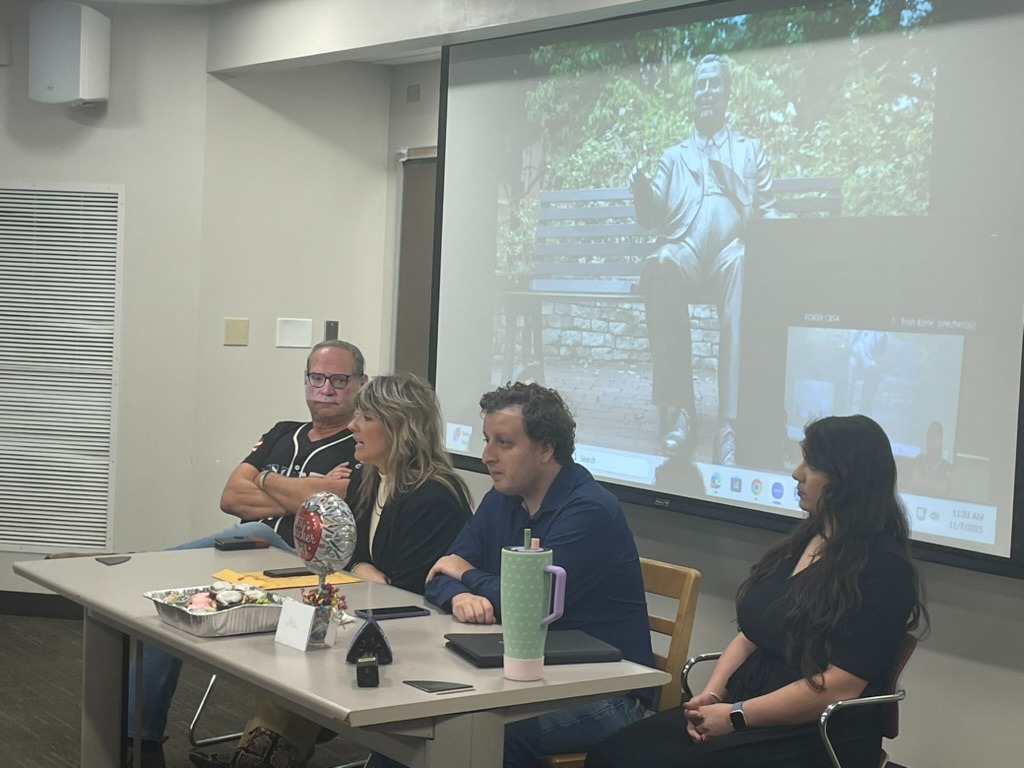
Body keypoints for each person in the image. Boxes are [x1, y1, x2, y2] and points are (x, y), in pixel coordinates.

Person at [585, 414, 928, 768]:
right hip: (746, 707)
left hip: (816, 731)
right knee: (610, 757)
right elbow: (751, 636)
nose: (797, 473)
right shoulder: (806, 540)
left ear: (846, 479)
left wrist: (735, 716)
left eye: (811, 464)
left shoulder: (885, 570)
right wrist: (712, 695)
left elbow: (837, 686)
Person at [188, 373, 473, 768]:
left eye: (366, 418)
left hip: (416, 639)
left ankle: (260, 756)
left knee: (303, 653)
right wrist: (360, 566)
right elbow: (345, 551)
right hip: (370, 616)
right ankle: (258, 755)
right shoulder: (368, 479)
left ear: (398, 428)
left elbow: (410, 592)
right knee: (291, 648)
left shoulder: (434, 495)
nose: (353, 426)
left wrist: (360, 569)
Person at [127, 339, 368, 767]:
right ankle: (140, 742)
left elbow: (335, 503)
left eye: (338, 379)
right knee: (167, 605)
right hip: (247, 559)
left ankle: (136, 565)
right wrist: (303, 493)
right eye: (316, 377)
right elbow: (229, 496)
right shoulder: (282, 431)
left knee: (253, 527)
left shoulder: (361, 442)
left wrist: (265, 481)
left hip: (302, 567)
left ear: (359, 384)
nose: (325, 388)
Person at [417, 382, 654, 768]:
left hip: (606, 690)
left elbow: (533, 603)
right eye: (486, 440)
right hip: (529, 671)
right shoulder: (501, 498)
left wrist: (469, 575)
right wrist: (458, 595)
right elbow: (441, 572)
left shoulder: (590, 511)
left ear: (546, 449)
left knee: (487, 733)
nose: (487, 456)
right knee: (418, 720)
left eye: (504, 443)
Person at [630, 54, 778, 464]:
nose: (706, 92)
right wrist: (642, 191)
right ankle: (683, 410)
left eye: (714, 84)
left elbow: (770, 216)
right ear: (692, 96)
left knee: (744, 264)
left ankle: (729, 424)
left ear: (728, 92)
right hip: (687, 252)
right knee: (660, 265)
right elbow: (654, 213)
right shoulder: (673, 156)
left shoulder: (750, 152)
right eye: (700, 86)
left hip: (732, 254)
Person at [909, 420, 952, 496]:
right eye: (929, 436)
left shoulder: (946, 466)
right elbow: (914, 484)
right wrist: (933, 485)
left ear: (940, 440)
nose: (931, 440)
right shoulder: (919, 460)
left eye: (934, 436)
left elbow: (945, 490)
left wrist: (925, 485)